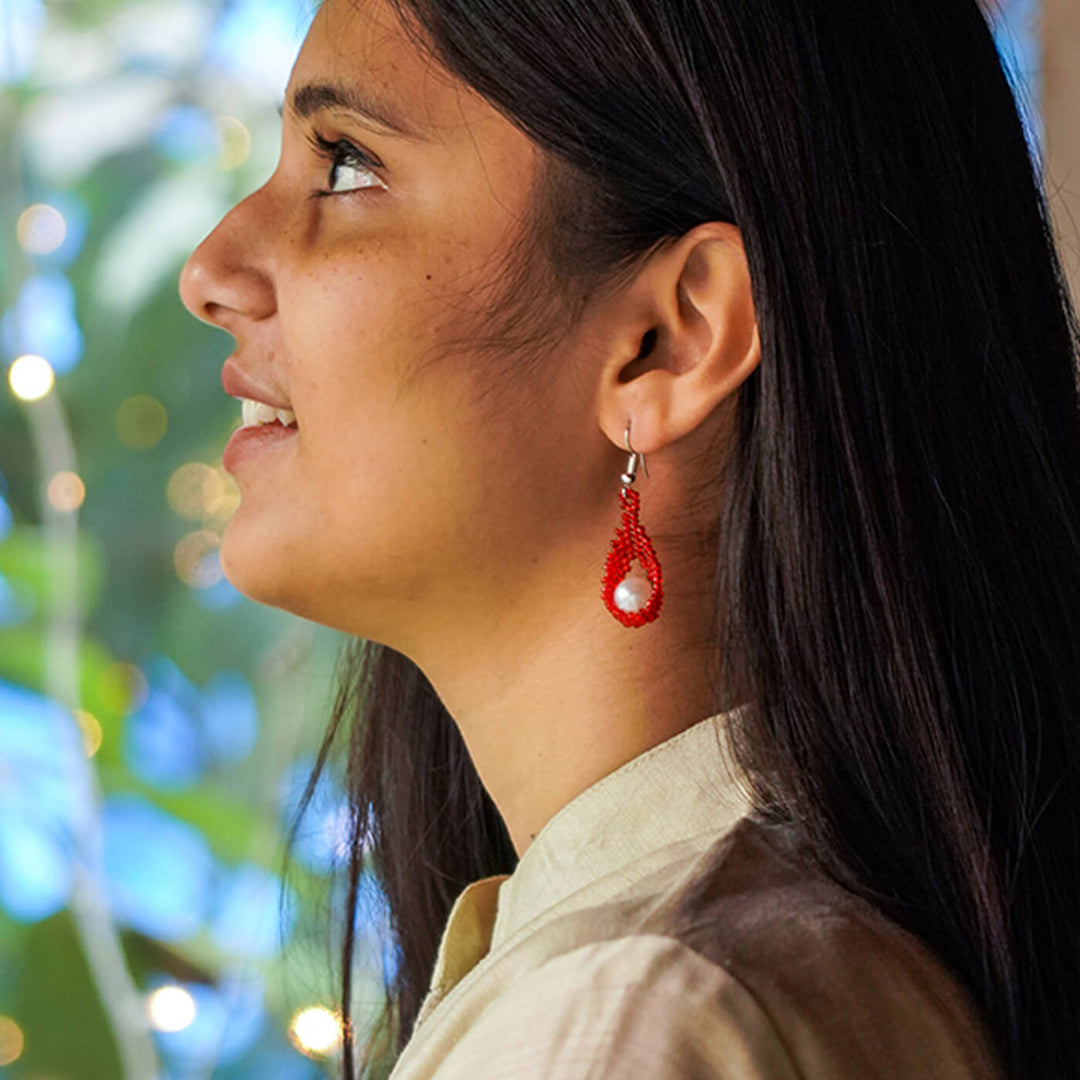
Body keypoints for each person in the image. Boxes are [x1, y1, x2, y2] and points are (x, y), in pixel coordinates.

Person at [178, 0, 1080, 1076]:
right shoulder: (724, 969)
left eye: (348, 165)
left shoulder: (640, 1014)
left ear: (670, 341)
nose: (213, 269)